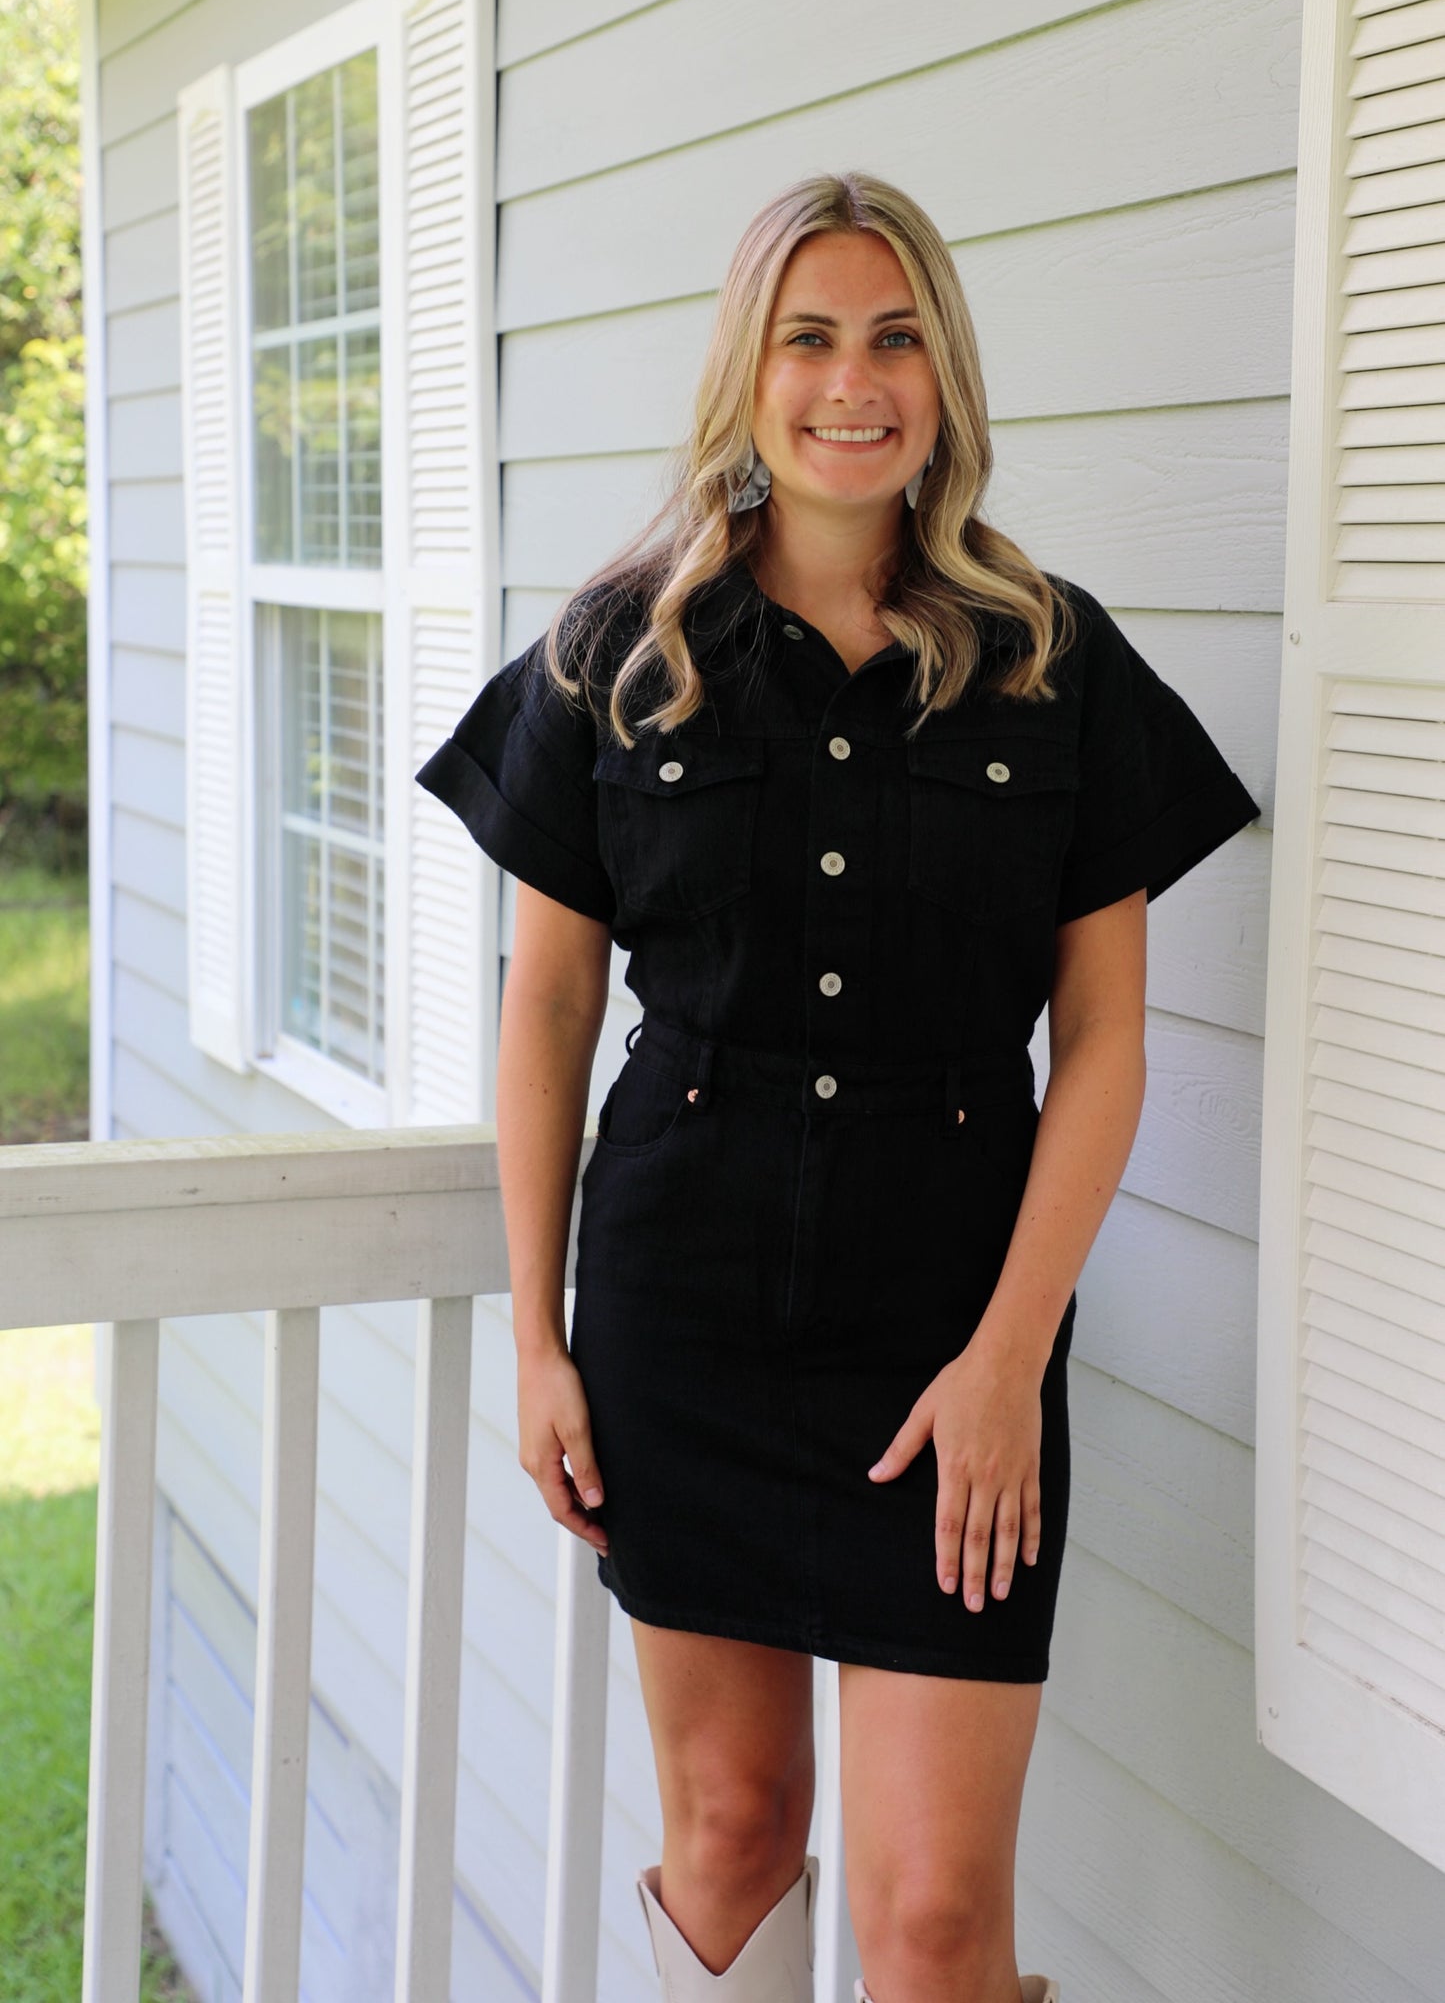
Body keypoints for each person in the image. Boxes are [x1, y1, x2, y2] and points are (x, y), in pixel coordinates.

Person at [417, 172, 1261, 2003]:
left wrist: (1005, 1360)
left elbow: (1105, 1038)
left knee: (939, 1922)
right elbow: (549, 1009)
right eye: (808, 337)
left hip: (950, 1344)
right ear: (748, 371)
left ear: (943, 380)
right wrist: (540, 1337)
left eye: (895, 339)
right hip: (678, 1317)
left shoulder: (1053, 658)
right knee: (726, 1832)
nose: (850, 381)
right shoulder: (612, 657)